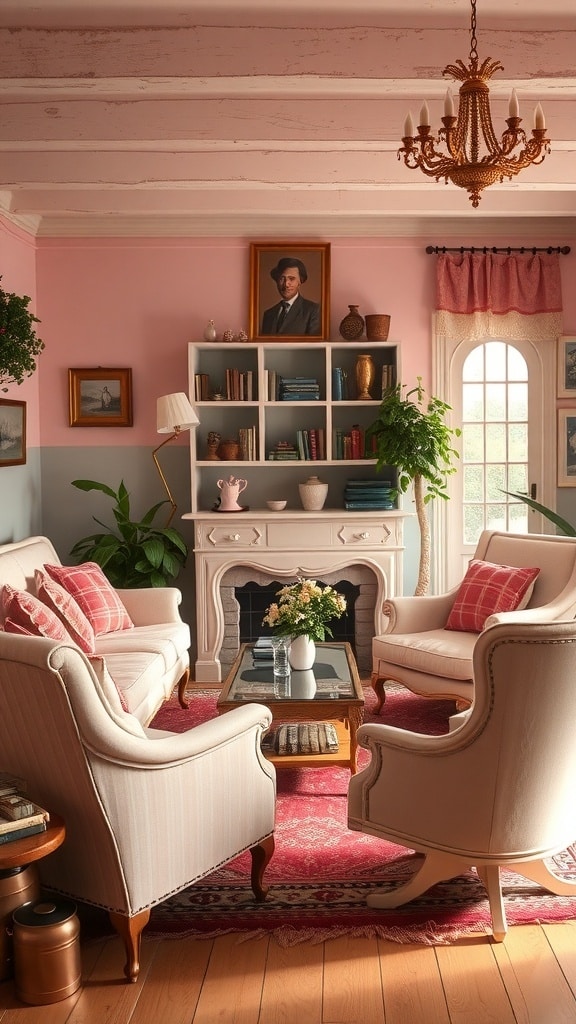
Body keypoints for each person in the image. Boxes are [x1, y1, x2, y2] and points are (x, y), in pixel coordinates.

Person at [261, 257, 321, 336]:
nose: (286, 284)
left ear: (300, 281)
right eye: (282, 279)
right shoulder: (268, 314)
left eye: (291, 279)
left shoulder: (313, 310)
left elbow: (314, 342)